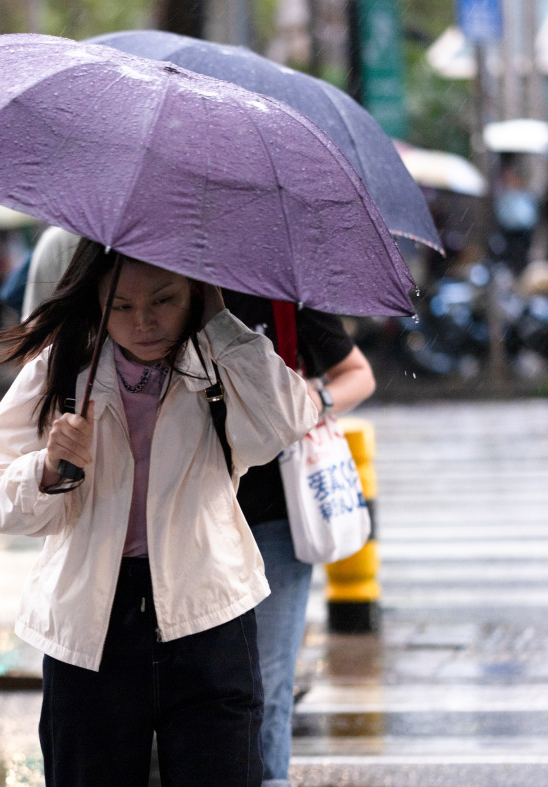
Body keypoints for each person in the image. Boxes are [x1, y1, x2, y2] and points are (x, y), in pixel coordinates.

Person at [0, 238, 318, 786]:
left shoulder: (220, 361)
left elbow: (285, 423)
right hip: (92, 626)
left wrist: (221, 323)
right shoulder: (63, 368)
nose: (143, 322)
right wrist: (48, 467)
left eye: (163, 300)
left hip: (209, 611)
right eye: (123, 305)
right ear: (99, 300)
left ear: (195, 294)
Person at [222, 291, 376, 787]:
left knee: (266, 678)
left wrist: (317, 397)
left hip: (275, 519)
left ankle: (270, 778)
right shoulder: (174, 288)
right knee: (209, 680)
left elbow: (358, 373)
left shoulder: (285, 297)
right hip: (189, 519)